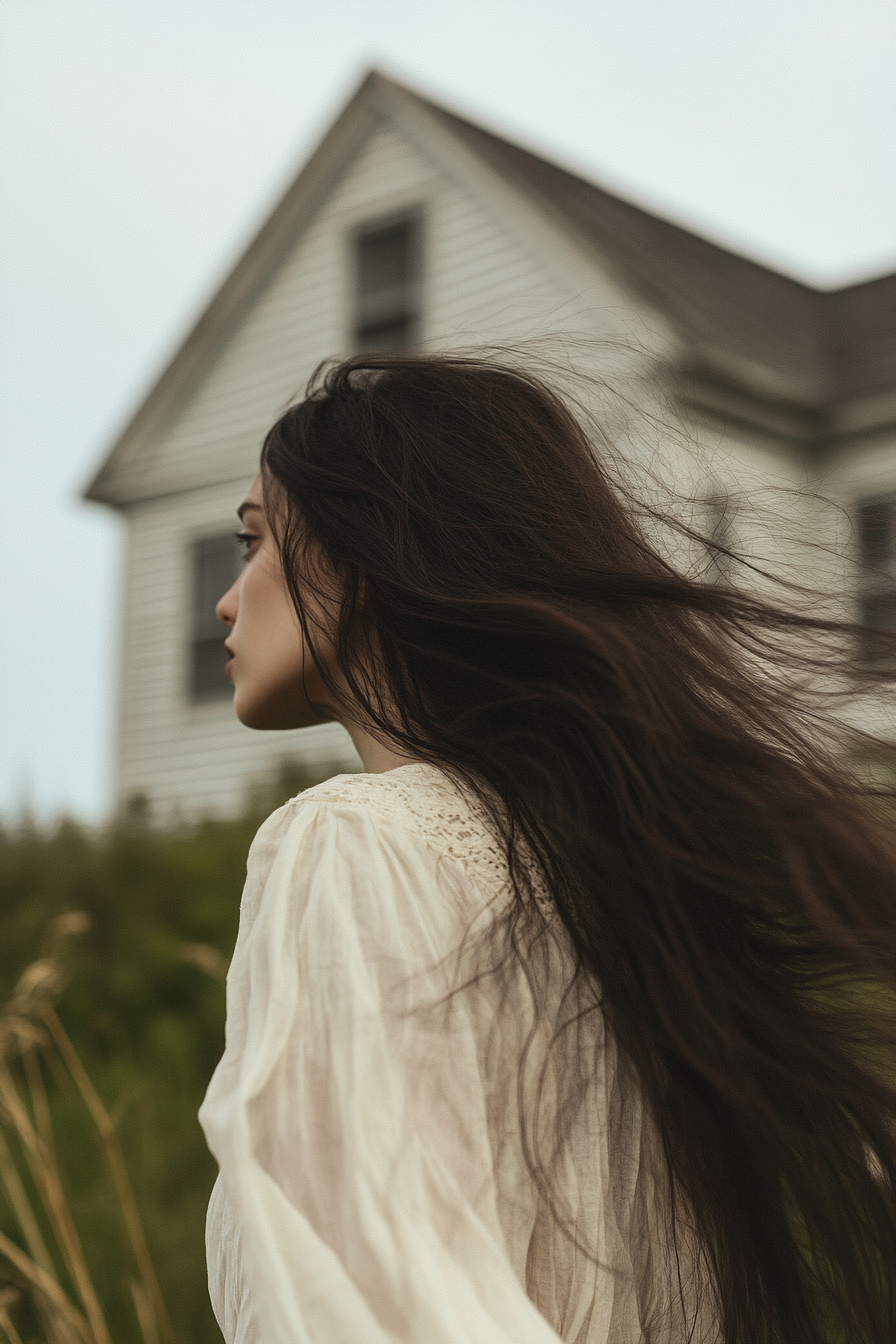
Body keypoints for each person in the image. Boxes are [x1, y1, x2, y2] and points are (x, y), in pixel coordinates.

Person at [199, 353, 896, 1344]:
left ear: (363, 552)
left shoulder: (353, 843)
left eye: (254, 543)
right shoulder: (622, 905)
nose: (226, 603)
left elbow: (382, 1305)